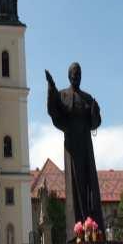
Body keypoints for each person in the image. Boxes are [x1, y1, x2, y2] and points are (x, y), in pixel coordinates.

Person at [46, 63, 104, 232]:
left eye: (79, 74)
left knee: (89, 182)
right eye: (73, 74)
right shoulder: (63, 95)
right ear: (69, 76)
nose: (76, 76)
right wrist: (51, 88)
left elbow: (96, 122)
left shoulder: (87, 97)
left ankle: (92, 225)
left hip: (86, 144)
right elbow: (54, 111)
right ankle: (77, 228)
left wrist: (94, 111)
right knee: (74, 183)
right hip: (71, 145)